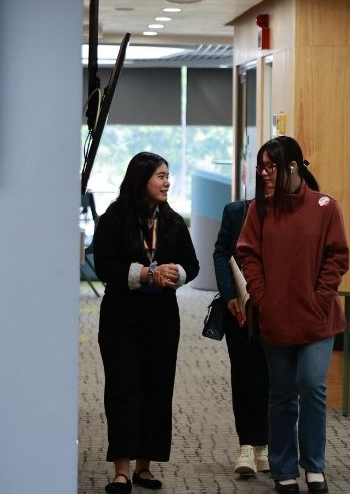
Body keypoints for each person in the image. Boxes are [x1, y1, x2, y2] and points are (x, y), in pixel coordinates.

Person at [236, 137, 348, 494]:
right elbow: (246, 254)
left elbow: (337, 256)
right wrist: (263, 297)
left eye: (271, 167)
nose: (265, 174)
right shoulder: (260, 210)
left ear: (293, 167)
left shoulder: (325, 207)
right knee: (282, 394)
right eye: (261, 167)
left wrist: (320, 297)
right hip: (276, 319)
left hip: (318, 319)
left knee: (312, 386)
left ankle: (314, 466)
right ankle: (284, 469)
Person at [92, 151, 200, 493]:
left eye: (168, 175)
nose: (167, 182)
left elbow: (192, 264)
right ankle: (121, 470)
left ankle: (144, 468)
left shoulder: (172, 222)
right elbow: (104, 265)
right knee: (124, 389)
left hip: (162, 320)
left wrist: (175, 273)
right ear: (142, 180)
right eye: (160, 176)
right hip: (121, 318)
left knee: (156, 389)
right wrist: (145, 273)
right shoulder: (114, 218)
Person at [212, 198, 270, 478]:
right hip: (240, 309)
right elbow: (221, 252)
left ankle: (267, 447)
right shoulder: (237, 212)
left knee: (274, 378)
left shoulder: (294, 212)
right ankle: (246, 446)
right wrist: (229, 294)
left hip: (277, 312)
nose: (269, 174)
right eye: (265, 168)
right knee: (245, 375)